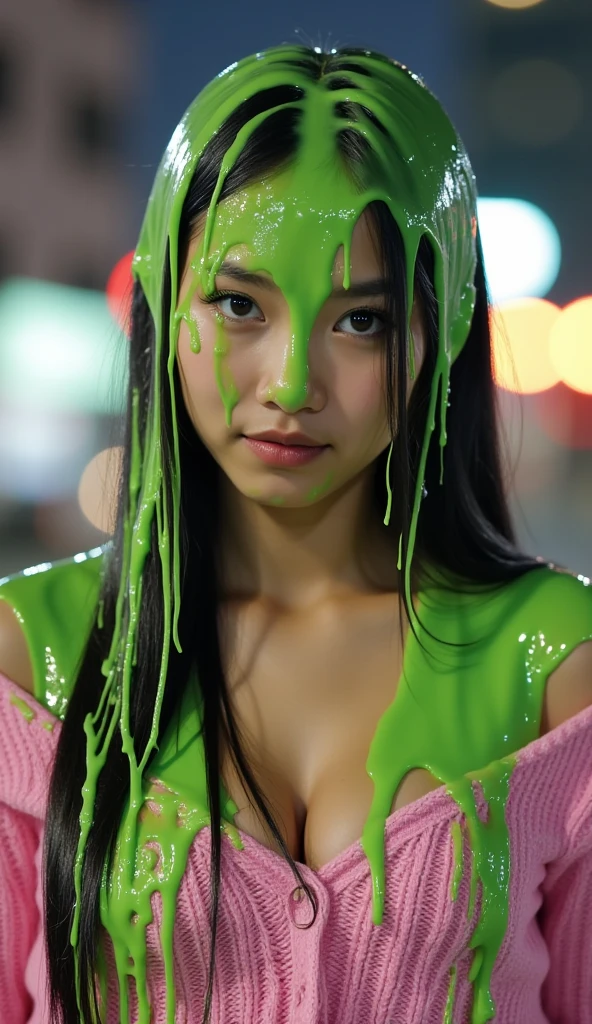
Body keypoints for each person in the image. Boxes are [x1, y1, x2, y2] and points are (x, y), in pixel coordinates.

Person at [0, 42, 591, 1024]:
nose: (288, 385)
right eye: (238, 305)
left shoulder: (555, 662)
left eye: (360, 321)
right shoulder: (34, 654)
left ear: (440, 328)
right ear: (161, 299)